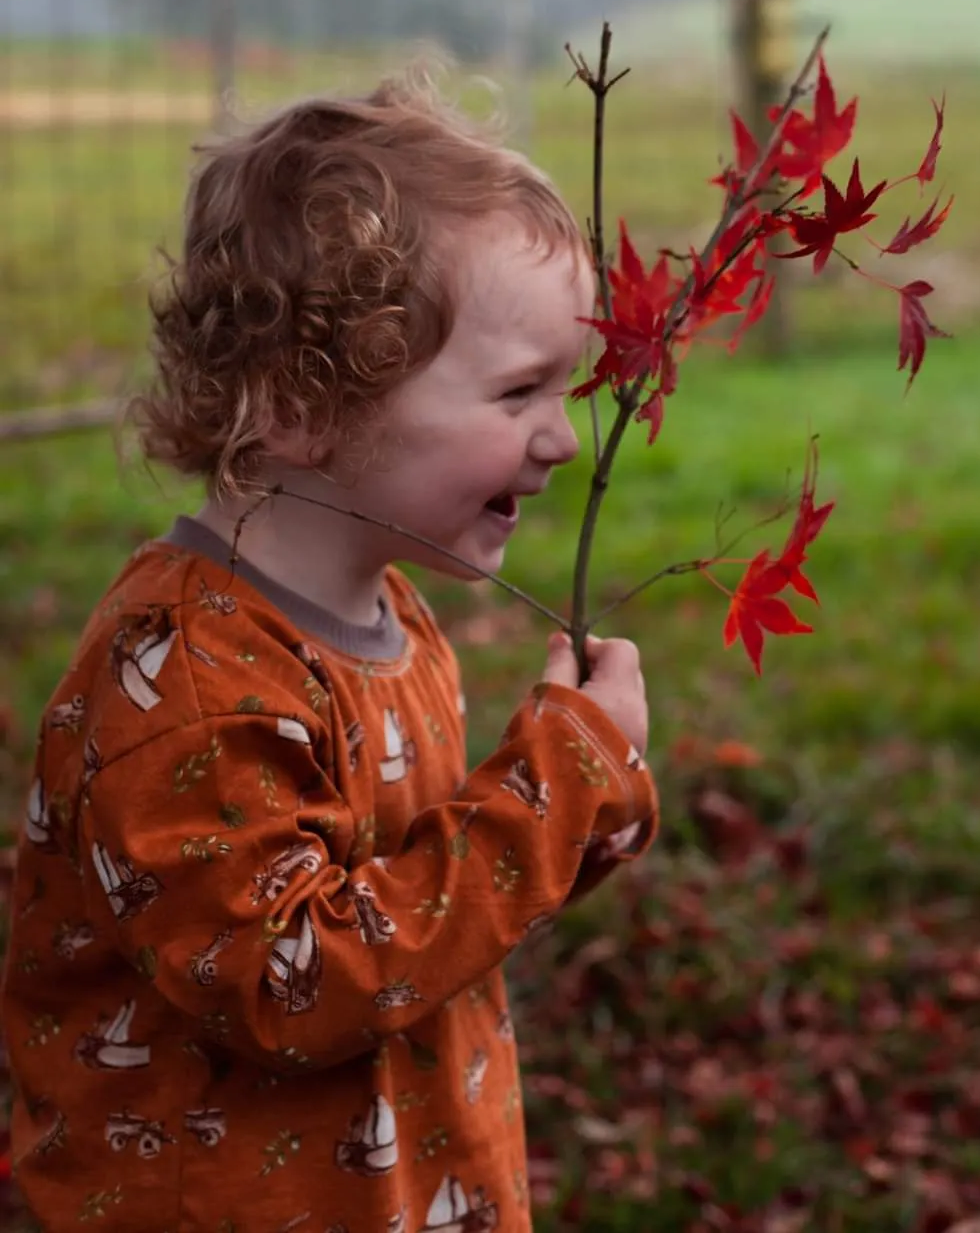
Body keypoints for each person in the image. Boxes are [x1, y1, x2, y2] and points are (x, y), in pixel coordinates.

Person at [0, 68, 658, 1233]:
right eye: (518, 392)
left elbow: (422, 897)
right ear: (300, 408)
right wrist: (544, 797)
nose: (561, 437)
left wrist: (573, 813)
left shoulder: (395, 617)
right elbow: (290, 987)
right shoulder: (189, 683)